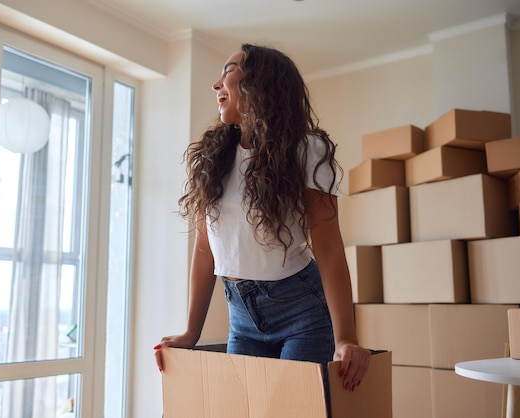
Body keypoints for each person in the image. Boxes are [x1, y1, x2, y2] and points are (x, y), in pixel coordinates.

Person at [154, 43, 370, 410]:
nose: (215, 84)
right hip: (241, 316)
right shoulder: (214, 158)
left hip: (301, 310)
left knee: (288, 411)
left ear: (260, 85)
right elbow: (207, 249)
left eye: (228, 71)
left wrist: (346, 337)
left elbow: (330, 248)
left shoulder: (306, 149)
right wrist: (192, 332)